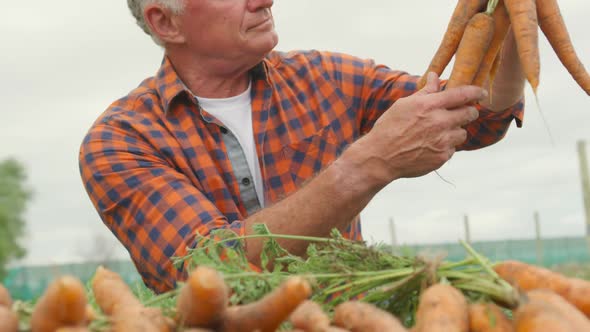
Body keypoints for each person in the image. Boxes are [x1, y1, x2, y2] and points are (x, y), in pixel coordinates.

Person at [79, 0, 525, 293]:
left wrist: (514, 23)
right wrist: (368, 164)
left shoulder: (326, 77)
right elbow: (214, 273)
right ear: (164, 21)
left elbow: (480, 117)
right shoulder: (121, 141)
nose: (264, 0)